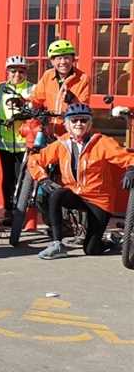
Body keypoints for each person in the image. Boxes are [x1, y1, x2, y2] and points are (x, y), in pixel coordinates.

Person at [28, 104, 134, 259]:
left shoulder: (102, 142)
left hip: (99, 200)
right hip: (75, 194)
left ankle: (111, 241)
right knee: (56, 194)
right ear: (67, 124)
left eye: (83, 120)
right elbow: (34, 160)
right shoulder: (61, 144)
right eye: (74, 120)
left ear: (89, 124)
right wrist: (43, 179)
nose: (79, 124)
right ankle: (57, 244)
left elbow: (128, 158)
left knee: (91, 249)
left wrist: (131, 170)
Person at [0, 55, 34, 226]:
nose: (17, 74)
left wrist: (23, 110)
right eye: (13, 71)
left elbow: (37, 111)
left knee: (22, 178)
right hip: (4, 141)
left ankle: (23, 211)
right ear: (7, 72)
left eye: (21, 71)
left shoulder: (33, 89)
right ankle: (9, 211)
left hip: (25, 142)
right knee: (8, 178)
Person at [30, 39, 91, 138]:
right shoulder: (47, 75)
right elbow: (36, 98)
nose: (63, 62)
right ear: (52, 61)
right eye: (59, 58)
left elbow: (84, 107)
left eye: (67, 58)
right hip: (48, 131)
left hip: (71, 133)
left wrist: (73, 99)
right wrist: (25, 103)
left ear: (73, 59)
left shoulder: (82, 78)